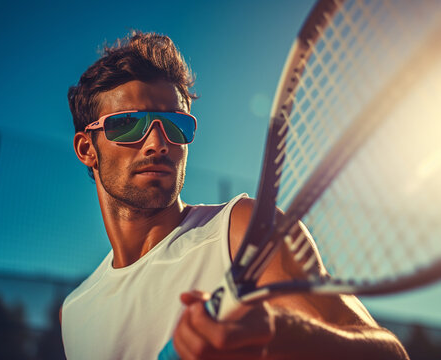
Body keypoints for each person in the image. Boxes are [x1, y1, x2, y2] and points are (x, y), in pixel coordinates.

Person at [61, 31, 408, 359]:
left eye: (174, 124)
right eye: (128, 124)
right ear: (86, 148)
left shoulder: (243, 229)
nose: (157, 143)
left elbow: (392, 355)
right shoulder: (75, 314)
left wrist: (278, 331)